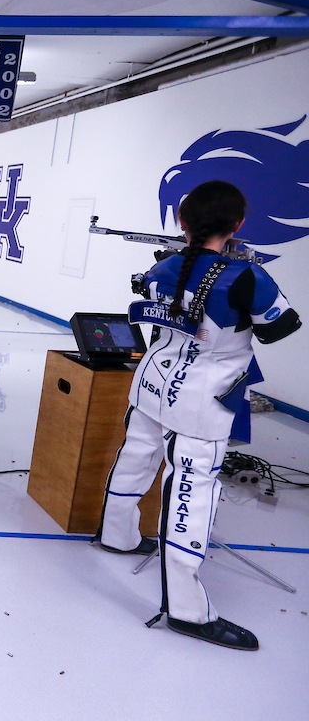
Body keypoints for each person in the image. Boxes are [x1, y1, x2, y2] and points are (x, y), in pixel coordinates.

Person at [96, 180, 300, 650]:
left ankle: (117, 536)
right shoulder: (248, 277)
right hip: (202, 400)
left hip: (152, 383)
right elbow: (279, 329)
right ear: (238, 224)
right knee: (192, 491)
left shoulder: (162, 267)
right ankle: (187, 612)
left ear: (182, 222)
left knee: (136, 457)